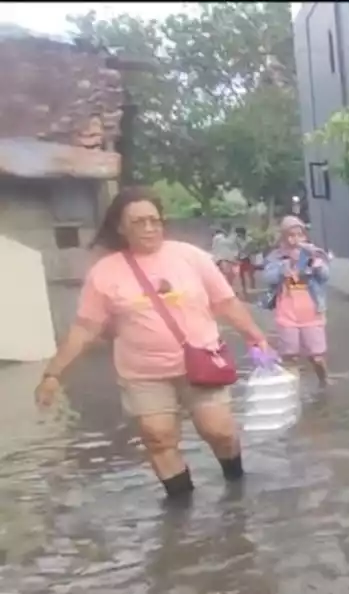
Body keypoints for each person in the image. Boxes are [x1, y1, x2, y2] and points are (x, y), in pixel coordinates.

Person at [33, 187, 273, 502]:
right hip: (143, 374)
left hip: (201, 361)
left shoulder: (190, 257)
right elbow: (85, 328)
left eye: (154, 220)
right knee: (158, 438)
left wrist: (257, 337)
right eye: (138, 222)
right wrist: (53, 374)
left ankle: (236, 489)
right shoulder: (105, 273)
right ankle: (181, 511)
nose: (148, 228)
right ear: (120, 228)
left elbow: (226, 303)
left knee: (220, 432)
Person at [261, 215, 330, 385]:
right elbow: (268, 278)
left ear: (305, 236)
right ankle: (293, 388)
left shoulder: (312, 254)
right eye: (290, 235)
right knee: (289, 355)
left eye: (299, 234)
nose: (295, 239)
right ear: (283, 237)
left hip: (312, 313)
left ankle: (324, 381)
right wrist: (282, 269)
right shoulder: (276, 258)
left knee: (317, 356)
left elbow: (326, 276)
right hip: (286, 313)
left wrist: (317, 265)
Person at [234, 226, 257, 295]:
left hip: (249, 258)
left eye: (239, 233)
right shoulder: (237, 240)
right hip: (241, 258)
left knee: (251, 273)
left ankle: (253, 286)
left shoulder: (250, 240)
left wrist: (248, 250)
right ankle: (244, 288)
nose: (238, 235)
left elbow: (253, 249)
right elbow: (236, 249)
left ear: (242, 233)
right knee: (241, 274)